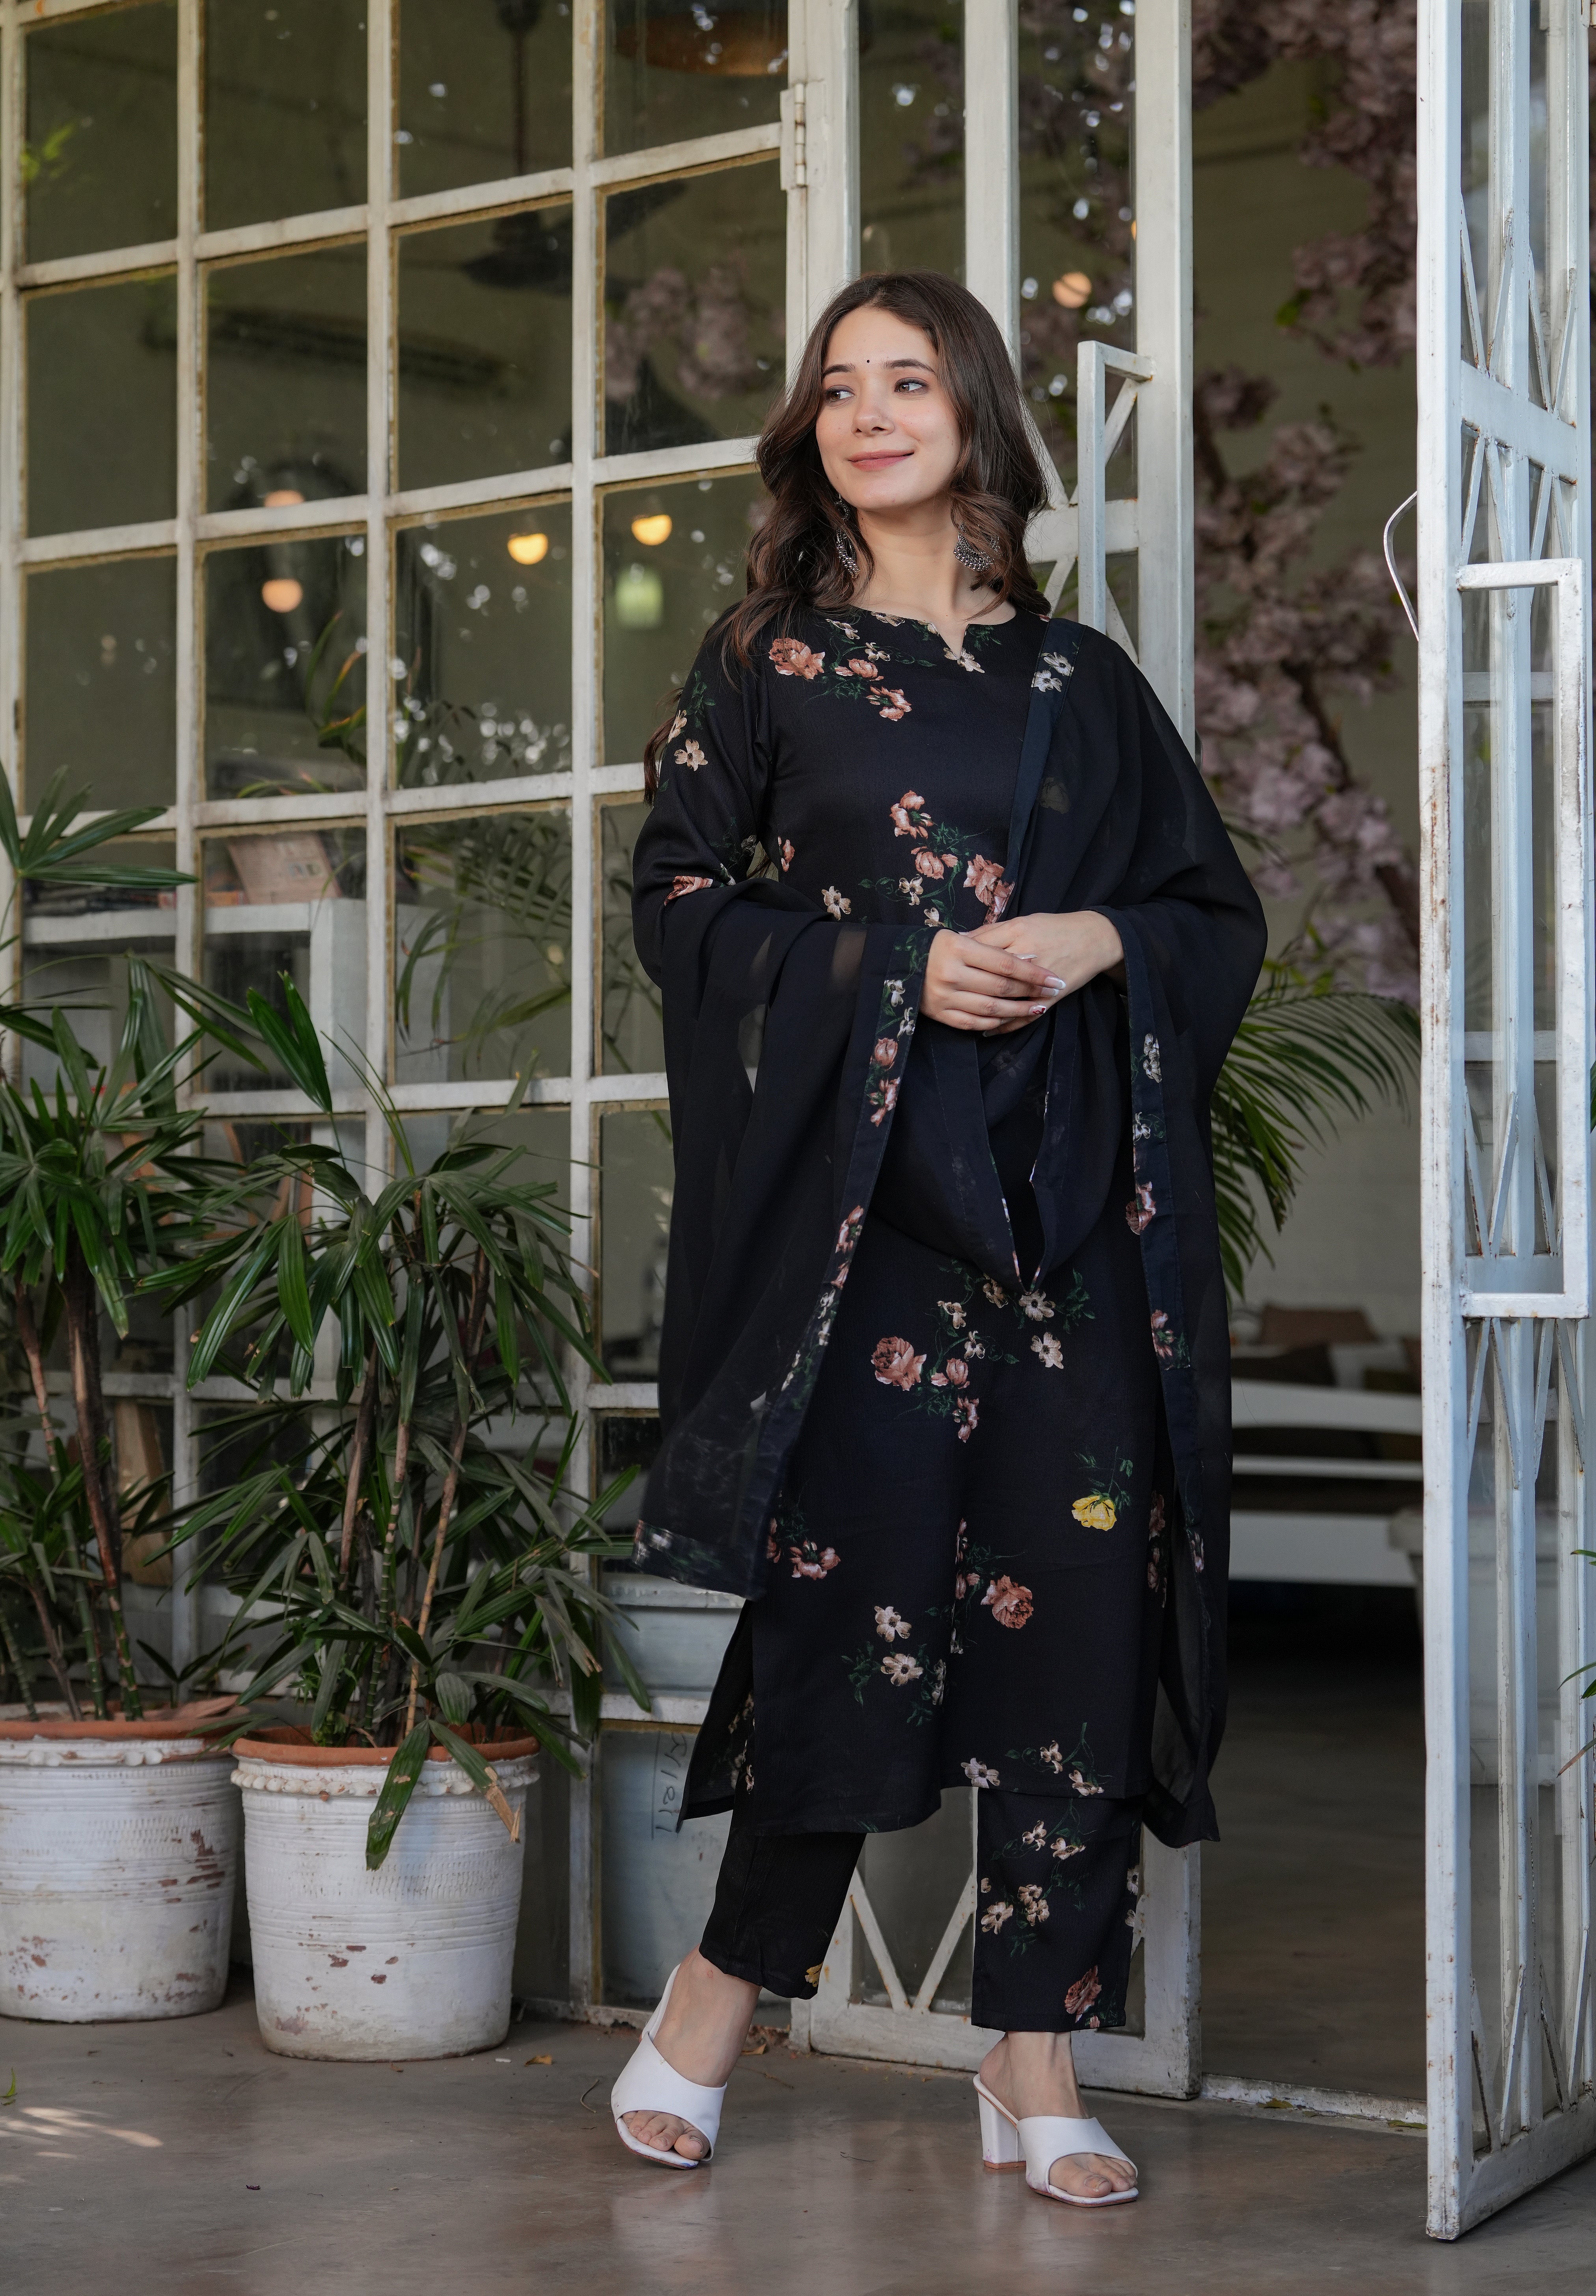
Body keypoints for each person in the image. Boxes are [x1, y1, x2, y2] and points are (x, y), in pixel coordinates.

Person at [611, 270, 1265, 2207]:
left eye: (906, 380)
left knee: (1071, 1639)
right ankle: (709, 2008)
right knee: (848, 1614)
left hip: (1066, 1239)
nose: (868, 412)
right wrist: (893, 964)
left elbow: (1207, 917)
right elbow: (673, 906)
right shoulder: (764, 662)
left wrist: (1092, 941)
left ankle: (1030, 2050)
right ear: (809, 434)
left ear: (974, 412)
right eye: (836, 387)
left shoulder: (1079, 687)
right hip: (869, 1235)